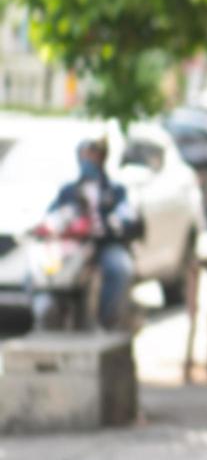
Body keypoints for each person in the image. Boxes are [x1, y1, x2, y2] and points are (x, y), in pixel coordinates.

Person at [35, 136, 142, 331]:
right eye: (84, 156)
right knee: (42, 269)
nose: (88, 160)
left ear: (102, 158)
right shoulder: (69, 190)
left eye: (92, 156)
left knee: (120, 268)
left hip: (105, 243)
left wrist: (113, 223)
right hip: (74, 246)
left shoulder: (115, 190)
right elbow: (52, 215)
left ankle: (107, 321)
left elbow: (127, 215)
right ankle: (49, 315)